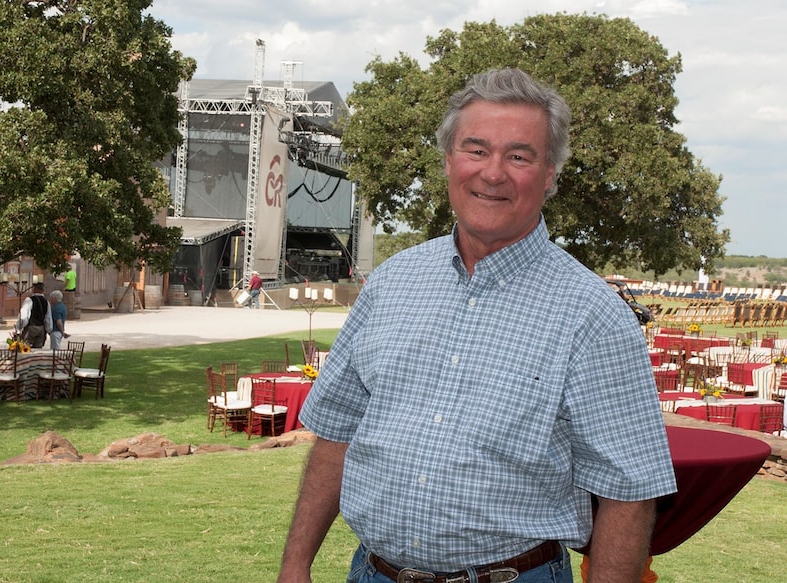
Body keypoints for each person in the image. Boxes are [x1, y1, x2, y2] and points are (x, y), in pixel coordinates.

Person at [277, 68, 677, 583]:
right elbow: (337, 432)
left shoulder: (592, 316)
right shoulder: (392, 283)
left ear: (550, 173)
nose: (493, 173)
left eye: (519, 156)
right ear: (448, 161)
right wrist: (294, 566)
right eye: (476, 149)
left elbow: (629, 491)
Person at [15, 282, 52, 348]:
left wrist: (19, 327)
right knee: (38, 350)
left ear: (34, 289)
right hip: (41, 328)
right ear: (43, 291)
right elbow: (48, 318)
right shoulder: (46, 302)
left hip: (31, 327)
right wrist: (48, 329)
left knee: (26, 348)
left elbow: (24, 316)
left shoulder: (29, 300)